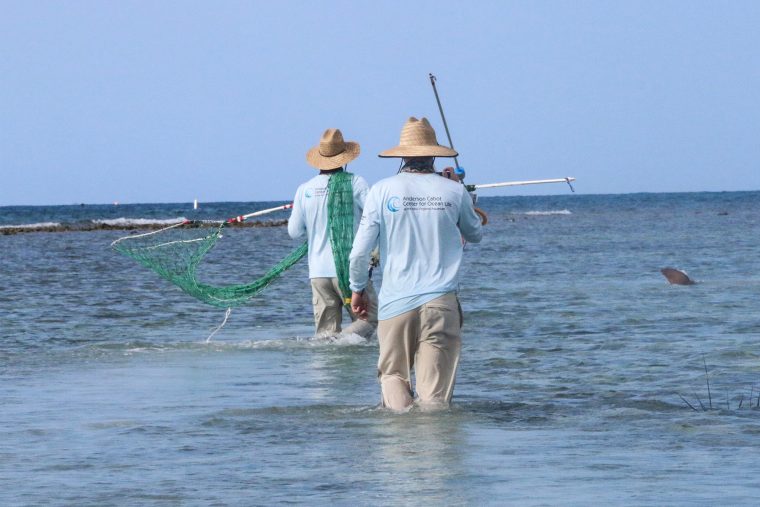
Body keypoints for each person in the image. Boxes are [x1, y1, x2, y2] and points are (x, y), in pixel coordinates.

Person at [348, 117, 483, 410]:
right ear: (434, 153)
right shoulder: (454, 191)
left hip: (395, 303)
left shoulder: (381, 190)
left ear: (403, 154)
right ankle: (434, 449)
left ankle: (399, 449)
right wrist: (463, 192)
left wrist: (357, 288)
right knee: (435, 396)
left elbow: (359, 252)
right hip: (441, 302)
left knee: (392, 375)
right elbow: (475, 233)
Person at [288, 128, 377, 338]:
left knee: (324, 334)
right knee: (370, 319)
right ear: (345, 158)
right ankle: (341, 343)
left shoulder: (305, 189)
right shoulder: (356, 182)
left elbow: (294, 232)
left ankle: (329, 354)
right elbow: (375, 216)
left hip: (318, 272)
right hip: (349, 270)